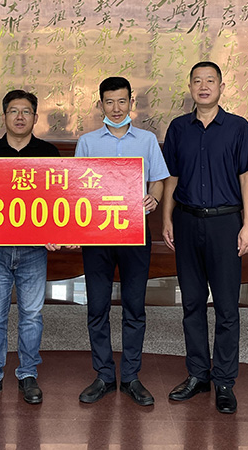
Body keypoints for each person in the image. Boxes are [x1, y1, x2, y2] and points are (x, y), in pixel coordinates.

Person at [161, 61, 248, 414]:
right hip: (187, 222)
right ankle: (198, 374)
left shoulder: (237, 127)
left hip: (225, 224)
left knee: (227, 307)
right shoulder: (178, 128)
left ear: (221, 87)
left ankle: (225, 381)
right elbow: (171, 177)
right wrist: (167, 218)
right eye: (197, 81)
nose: (204, 86)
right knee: (191, 303)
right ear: (190, 87)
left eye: (210, 81)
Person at [74, 76, 169, 407]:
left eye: (122, 101)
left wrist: (154, 198)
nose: (116, 108)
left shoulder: (146, 140)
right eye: (109, 102)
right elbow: (75, 188)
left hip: (135, 233)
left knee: (134, 306)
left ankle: (130, 376)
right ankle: (103, 374)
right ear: (100, 104)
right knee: (97, 306)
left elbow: (158, 180)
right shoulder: (87, 142)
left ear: (132, 103)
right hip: (96, 236)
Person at [0, 90, 61, 406]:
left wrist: (55, 232)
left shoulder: (48, 153)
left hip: (35, 249)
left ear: (35, 117)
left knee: (31, 315)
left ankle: (28, 373)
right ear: (4, 116)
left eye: (26, 111)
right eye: (13, 111)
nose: (20, 117)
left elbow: (56, 199)